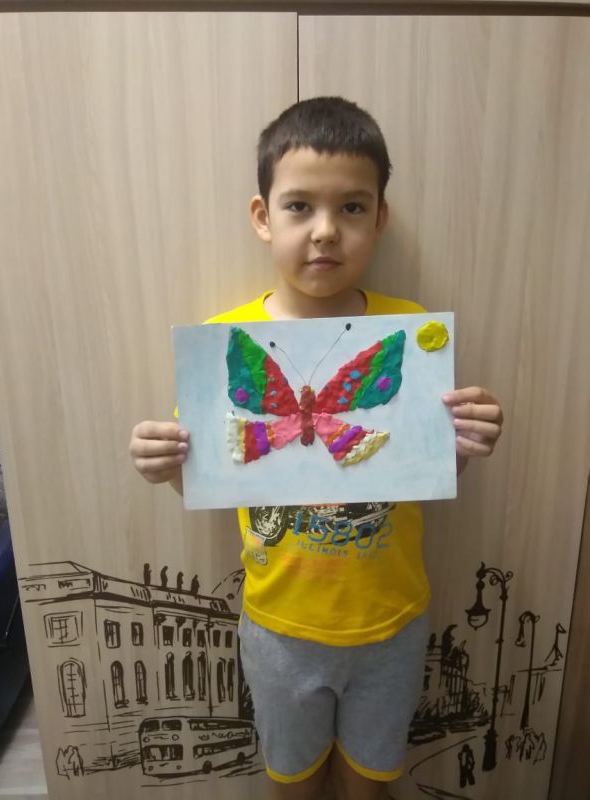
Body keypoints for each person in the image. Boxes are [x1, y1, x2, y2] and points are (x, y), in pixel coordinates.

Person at [129, 97, 503, 800]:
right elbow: (211, 474)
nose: (326, 231)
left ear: (380, 218)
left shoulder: (409, 331)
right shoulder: (226, 341)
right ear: (263, 216)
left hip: (391, 624)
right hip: (280, 629)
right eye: (299, 206)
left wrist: (464, 443)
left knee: (370, 785)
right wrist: (167, 462)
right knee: (292, 785)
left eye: (352, 208)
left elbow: (425, 468)